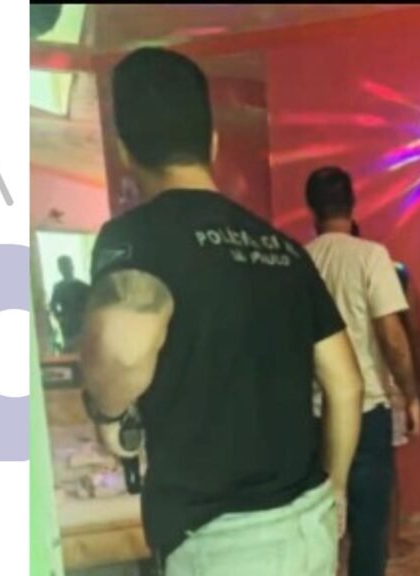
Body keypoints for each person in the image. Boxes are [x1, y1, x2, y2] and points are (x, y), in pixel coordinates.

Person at [79, 48, 364, 576]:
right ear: (212, 143)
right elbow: (345, 385)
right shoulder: (284, 249)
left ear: (123, 150)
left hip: (222, 540)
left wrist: (110, 414)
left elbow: (121, 348)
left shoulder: (137, 237)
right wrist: (337, 489)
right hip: (309, 522)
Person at [305, 167, 420, 576]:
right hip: (367, 411)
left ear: (312, 210)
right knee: (370, 529)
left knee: (318, 523)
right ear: (352, 204)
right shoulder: (371, 256)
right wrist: (411, 396)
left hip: (315, 413)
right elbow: (392, 336)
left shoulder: (300, 260)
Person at [350, 222, 420, 558]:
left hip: (334, 384)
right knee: (383, 465)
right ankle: (391, 539)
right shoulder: (393, 272)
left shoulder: (316, 265)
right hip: (385, 381)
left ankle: (352, 540)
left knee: (341, 466)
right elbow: (412, 331)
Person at [49, 255, 91, 352]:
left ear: (72, 266)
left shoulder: (83, 287)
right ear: (60, 270)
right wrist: (60, 318)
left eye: (67, 265)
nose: (66, 269)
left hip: (82, 324)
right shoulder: (59, 287)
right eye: (63, 267)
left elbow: (92, 304)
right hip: (68, 326)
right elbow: (53, 305)